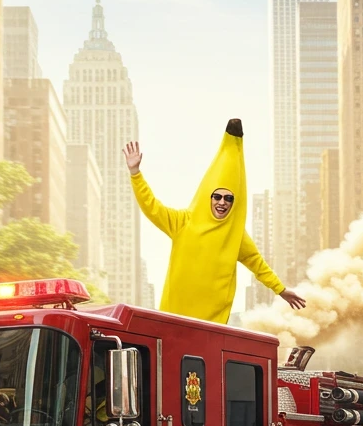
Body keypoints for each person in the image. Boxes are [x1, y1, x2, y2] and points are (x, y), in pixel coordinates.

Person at [123, 119, 306, 324]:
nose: (222, 202)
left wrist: (281, 290)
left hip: (211, 327)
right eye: (217, 196)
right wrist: (135, 173)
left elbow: (259, 265)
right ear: (208, 197)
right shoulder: (182, 222)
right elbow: (151, 206)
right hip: (173, 319)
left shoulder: (236, 235)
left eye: (229, 198)